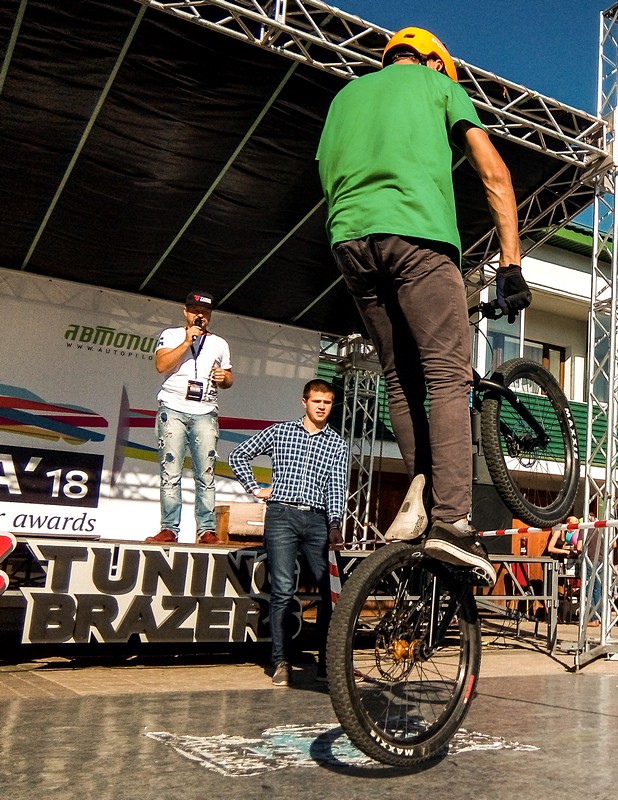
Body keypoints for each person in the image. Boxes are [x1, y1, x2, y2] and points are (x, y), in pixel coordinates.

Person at [317, 27, 532, 587]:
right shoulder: (438, 87)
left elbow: (328, 174)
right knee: (446, 375)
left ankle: (418, 497)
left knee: (398, 376)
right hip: (417, 238)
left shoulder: (345, 97)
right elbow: (494, 173)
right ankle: (452, 522)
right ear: (435, 65)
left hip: (350, 242)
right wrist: (511, 263)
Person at [227, 379, 348, 687]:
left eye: (327, 402)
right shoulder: (281, 431)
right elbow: (238, 455)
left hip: (318, 520)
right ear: (304, 402)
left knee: (330, 593)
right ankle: (281, 661)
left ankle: (326, 662)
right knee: (282, 589)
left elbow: (336, 487)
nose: (322, 406)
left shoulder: (337, 443)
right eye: (316, 401)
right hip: (282, 514)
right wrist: (255, 488)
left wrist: (335, 524)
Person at [146, 290, 234, 544]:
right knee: (170, 471)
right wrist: (186, 341)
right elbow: (161, 366)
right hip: (173, 407)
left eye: (205, 312)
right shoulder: (171, 335)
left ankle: (206, 530)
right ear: (185, 312)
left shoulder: (219, 343)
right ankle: (169, 529)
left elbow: (228, 378)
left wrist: (224, 378)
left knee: (205, 473)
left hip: (205, 411)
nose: (200, 315)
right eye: (195, 311)